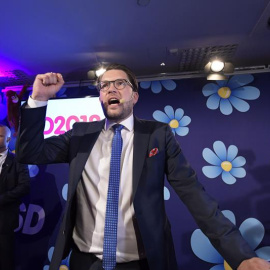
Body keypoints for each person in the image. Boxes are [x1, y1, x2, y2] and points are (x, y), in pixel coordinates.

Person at [16, 64, 270, 270]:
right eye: (104, 85)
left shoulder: (158, 135)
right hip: (86, 262)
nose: (110, 88)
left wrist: (240, 255)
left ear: (134, 96)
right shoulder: (80, 135)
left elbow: (195, 196)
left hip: (141, 264)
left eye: (120, 83)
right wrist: (38, 99)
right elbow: (30, 152)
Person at [0, 124, 30, 270]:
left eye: (0, 136)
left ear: (8, 139)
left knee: (5, 260)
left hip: (5, 220)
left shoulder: (18, 160)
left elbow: (24, 187)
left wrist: (2, 199)